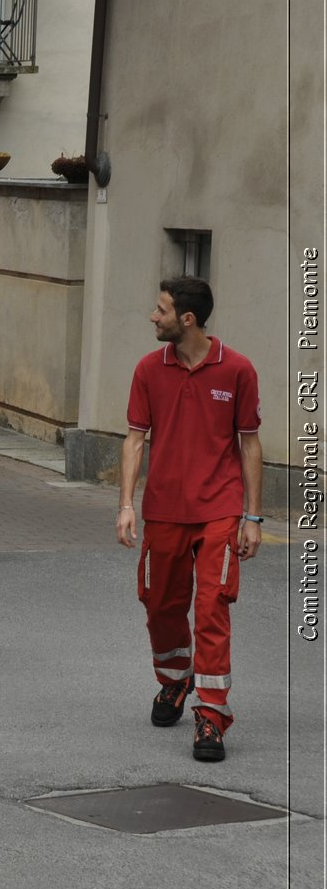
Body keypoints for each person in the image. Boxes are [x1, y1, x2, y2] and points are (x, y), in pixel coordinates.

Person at [116, 277, 263, 763]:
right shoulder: (147, 370)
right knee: (160, 603)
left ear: (187, 319)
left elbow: (249, 443)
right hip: (164, 511)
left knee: (211, 607)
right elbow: (135, 439)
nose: (151, 317)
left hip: (219, 508)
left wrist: (253, 516)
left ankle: (211, 714)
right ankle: (176, 680)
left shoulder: (237, 369)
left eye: (159, 310)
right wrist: (127, 503)